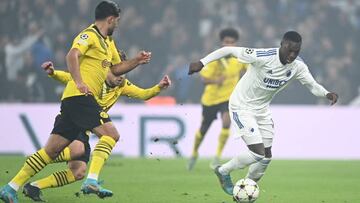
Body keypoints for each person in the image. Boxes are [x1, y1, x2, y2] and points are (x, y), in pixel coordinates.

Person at [0, 1, 151, 202]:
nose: (118, 25)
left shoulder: (108, 42)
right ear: (111, 19)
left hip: (73, 101)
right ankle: (92, 180)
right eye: (118, 21)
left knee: (51, 151)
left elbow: (115, 69)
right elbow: (72, 54)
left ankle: (11, 187)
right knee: (111, 135)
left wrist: (136, 61)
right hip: (81, 97)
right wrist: (79, 82)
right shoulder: (89, 35)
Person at [188, 31, 338, 195]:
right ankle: (223, 171)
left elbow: (312, 85)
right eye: (290, 50)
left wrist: (326, 93)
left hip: (262, 110)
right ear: (282, 44)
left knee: (266, 157)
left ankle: (247, 190)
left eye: (297, 51)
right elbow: (228, 50)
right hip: (241, 106)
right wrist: (202, 62)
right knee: (257, 153)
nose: (292, 55)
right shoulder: (263, 56)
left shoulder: (298, 67)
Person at [22, 60, 171, 201]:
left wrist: (159, 87)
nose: (121, 78)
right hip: (75, 117)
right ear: (108, 69)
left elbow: (143, 94)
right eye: (118, 73)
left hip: (87, 126)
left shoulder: (122, 86)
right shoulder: (94, 76)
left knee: (78, 172)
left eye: (124, 74)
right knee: (78, 149)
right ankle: (40, 158)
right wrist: (53, 73)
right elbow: (70, 77)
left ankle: (34, 186)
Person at [187, 28, 247, 171]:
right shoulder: (215, 58)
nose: (229, 45)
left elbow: (249, 68)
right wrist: (216, 80)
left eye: (232, 43)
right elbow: (203, 79)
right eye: (227, 42)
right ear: (222, 43)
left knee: (226, 122)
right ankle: (194, 152)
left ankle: (216, 158)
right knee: (203, 130)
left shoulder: (239, 58)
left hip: (228, 98)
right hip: (210, 99)